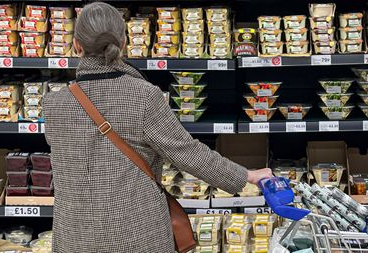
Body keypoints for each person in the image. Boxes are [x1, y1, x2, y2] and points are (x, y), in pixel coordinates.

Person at [43, 2, 272, 252]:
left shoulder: (53, 104)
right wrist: (247, 176)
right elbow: (187, 153)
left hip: (73, 238)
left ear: (76, 45)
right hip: (137, 234)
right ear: (123, 43)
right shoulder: (143, 97)